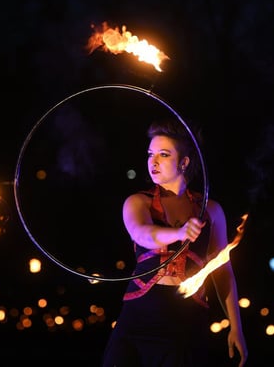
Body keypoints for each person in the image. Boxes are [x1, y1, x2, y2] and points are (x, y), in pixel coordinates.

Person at [101, 117, 248, 367]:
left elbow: (222, 271)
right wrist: (179, 234)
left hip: (186, 320)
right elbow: (143, 234)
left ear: (184, 162)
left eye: (164, 154)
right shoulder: (138, 202)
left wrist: (237, 327)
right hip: (140, 316)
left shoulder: (210, 210)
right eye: (150, 154)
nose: (153, 161)